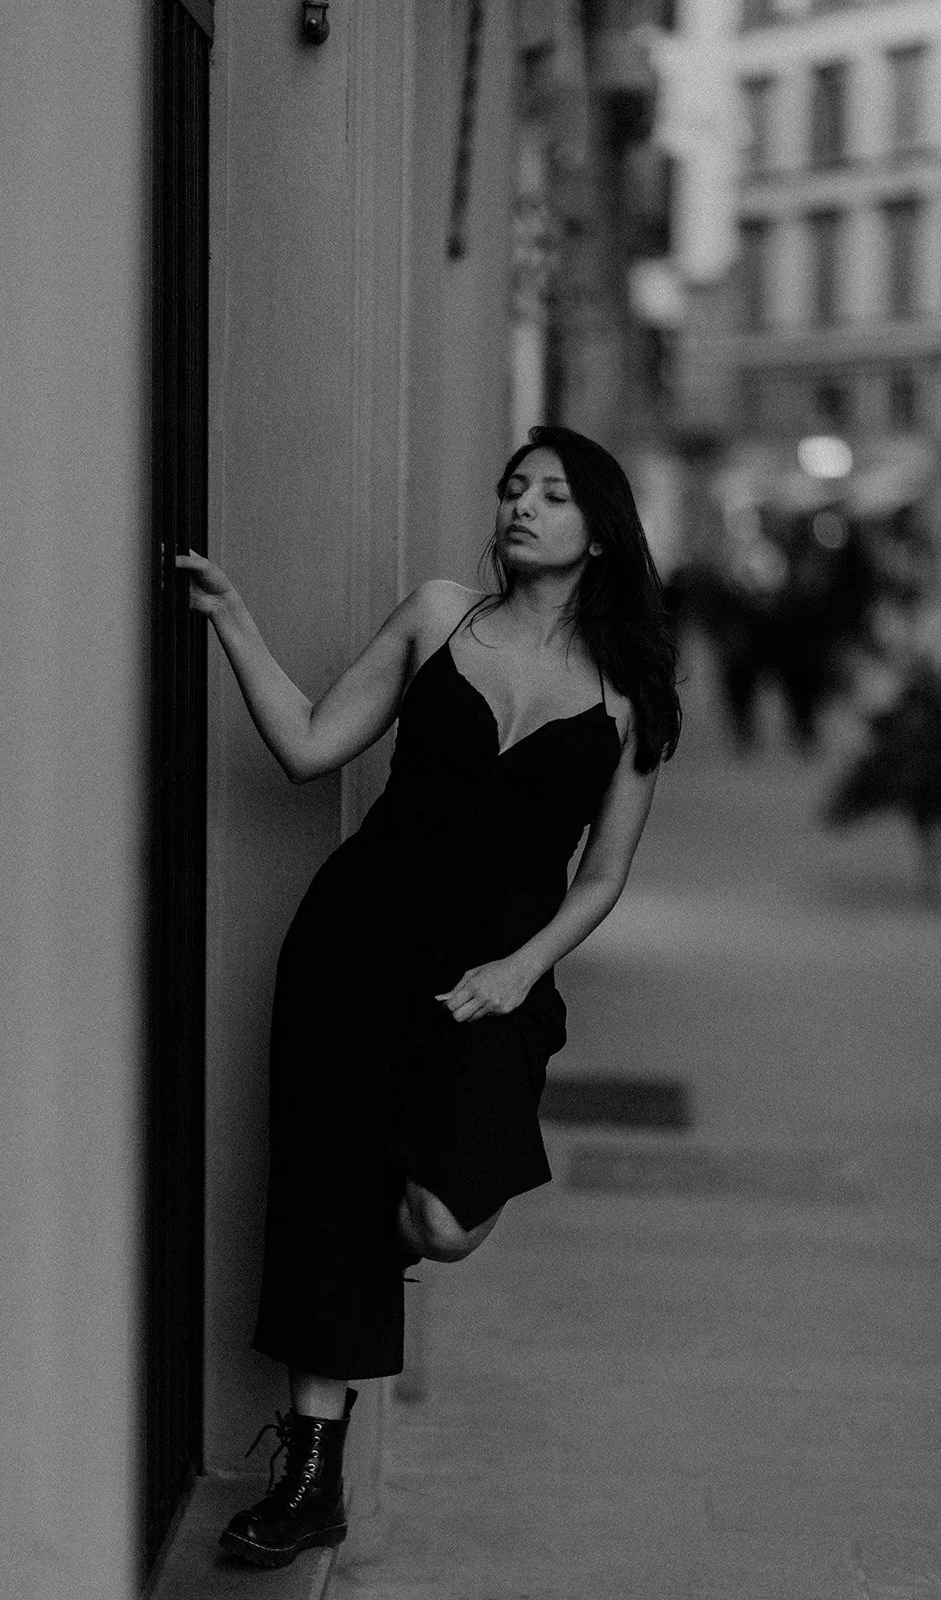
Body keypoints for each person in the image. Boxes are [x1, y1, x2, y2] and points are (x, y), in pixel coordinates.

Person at [177, 424, 681, 1570]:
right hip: (355, 942)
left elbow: (600, 876)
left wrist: (521, 968)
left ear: (599, 530)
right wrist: (234, 621)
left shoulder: (627, 697)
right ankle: (308, 1475)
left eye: (550, 495)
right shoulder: (437, 613)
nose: (520, 507)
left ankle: (390, 1249)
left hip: (491, 980)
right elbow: (309, 744)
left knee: (436, 1222)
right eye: (511, 489)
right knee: (324, 1185)